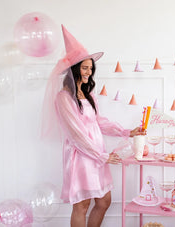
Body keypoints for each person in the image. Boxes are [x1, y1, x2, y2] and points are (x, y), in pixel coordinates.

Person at [41, 25, 144, 227]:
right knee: (82, 205)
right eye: (84, 67)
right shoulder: (64, 98)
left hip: (97, 154)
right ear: (74, 69)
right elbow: (76, 134)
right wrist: (102, 156)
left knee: (104, 201)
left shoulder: (89, 95)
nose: (89, 71)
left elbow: (99, 122)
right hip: (81, 156)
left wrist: (127, 132)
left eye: (90, 68)